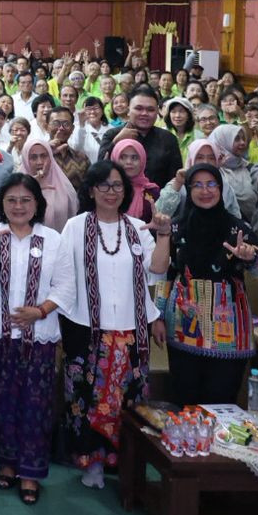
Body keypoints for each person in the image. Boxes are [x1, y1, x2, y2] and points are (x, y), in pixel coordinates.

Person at [46, 159, 169, 488]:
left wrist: (165, 234)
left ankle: (124, 461)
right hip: (85, 329)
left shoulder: (136, 227)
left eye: (117, 185)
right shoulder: (75, 226)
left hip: (130, 330)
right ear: (91, 190)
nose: (111, 192)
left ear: (126, 190)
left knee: (126, 400)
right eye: (104, 185)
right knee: (87, 400)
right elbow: (63, 279)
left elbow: (154, 272)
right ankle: (92, 463)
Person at [0, 173, 61, 503]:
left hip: (40, 335)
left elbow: (66, 286)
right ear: (1, 204)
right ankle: (8, 463)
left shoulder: (53, 239)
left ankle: (32, 471)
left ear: (37, 203)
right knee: (0, 401)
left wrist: (40, 311)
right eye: (11, 200)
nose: (19, 206)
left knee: (36, 403)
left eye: (26, 200)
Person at [160, 164, 258, 405]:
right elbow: (167, 273)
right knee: (184, 401)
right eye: (197, 185)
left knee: (222, 400)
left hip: (229, 329)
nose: (204, 191)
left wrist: (250, 258)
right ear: (188, 189)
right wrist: (157, 316)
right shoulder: (176, 226)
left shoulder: (239, 228)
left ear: (221, 188)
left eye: (211, 184)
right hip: (184, 325)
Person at [98, 89, 182, 187]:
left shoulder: (168, 139)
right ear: (128, 110)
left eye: (150, 110)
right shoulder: (112, 135)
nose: (144, 113)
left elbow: (175, 179)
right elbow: (100, 169)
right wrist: (116, 141)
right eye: (138, 108)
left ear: (157, 112)